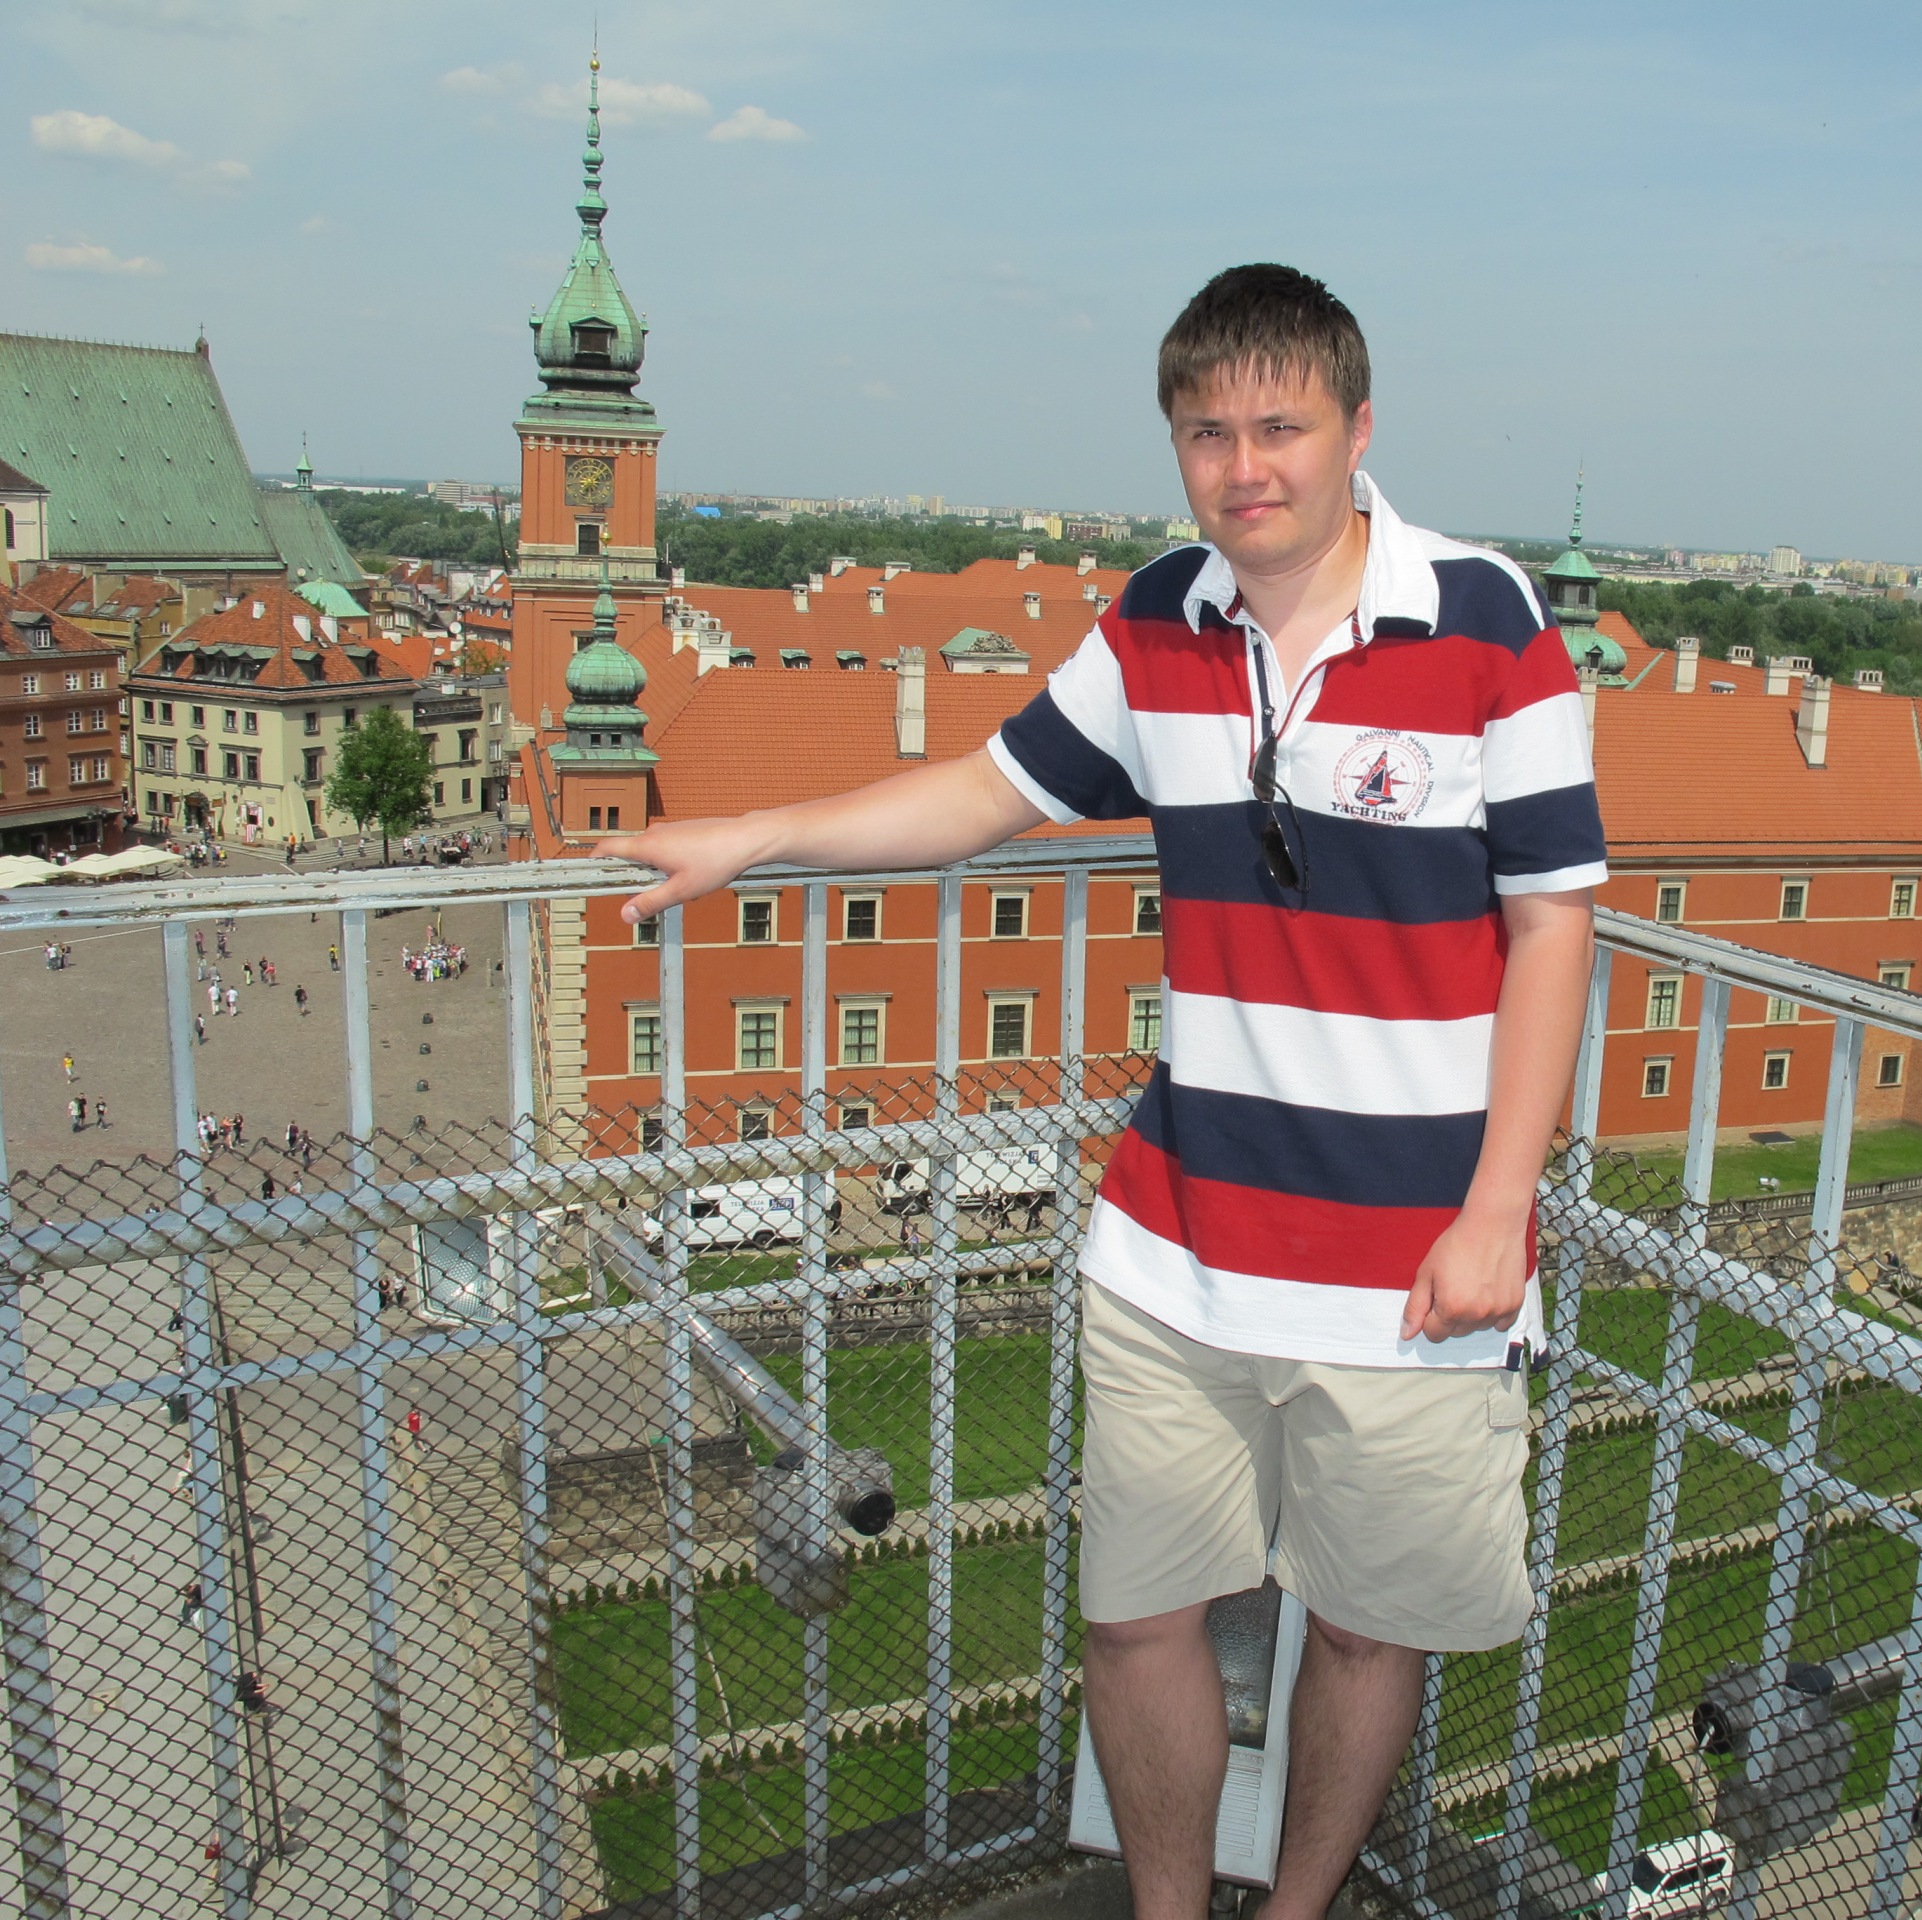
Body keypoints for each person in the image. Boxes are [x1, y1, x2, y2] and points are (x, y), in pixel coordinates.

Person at [601, 265, 1604, 1920]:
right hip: (1175, 1250)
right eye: (1207, 433)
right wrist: (758, 837)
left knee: (1369, 1634)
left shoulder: (1487, 621)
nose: (1244, 467)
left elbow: (1553, 924)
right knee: (1136, 1623)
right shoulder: (1155, 621)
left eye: (1280, 427)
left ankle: (1296, 1912)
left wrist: (1500, 1210)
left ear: (1359, 427)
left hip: (1413, 1269)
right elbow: (983, 794)